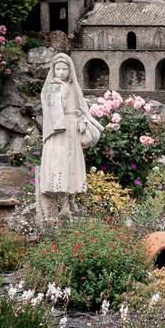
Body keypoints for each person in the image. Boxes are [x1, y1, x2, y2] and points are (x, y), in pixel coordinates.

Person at [37, 54, 93, 226]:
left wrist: (82, 120)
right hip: (57, 133)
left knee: (72, 165)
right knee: (59, 166)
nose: (61, 72)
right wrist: (60, 93)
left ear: (70, 70)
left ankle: (71, 200)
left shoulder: (73, 86)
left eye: (64, 68)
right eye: (58, 69)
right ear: (53, 70)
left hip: (72, 130)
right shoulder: (51, 88)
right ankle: (63, 207)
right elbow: (51, 110)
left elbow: (81, 108)